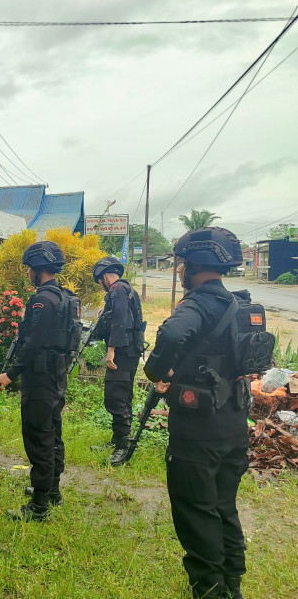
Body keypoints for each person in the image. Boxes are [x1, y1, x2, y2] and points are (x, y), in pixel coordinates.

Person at [143, 227, 249, 599]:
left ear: (191, 265)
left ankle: (210, 590)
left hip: (198, 430)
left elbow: (171, 338)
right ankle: (232, 584)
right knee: (223, 506)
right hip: (234, 424)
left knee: (196, 511)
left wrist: (156, 371)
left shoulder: (197, 304)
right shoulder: (238, 305)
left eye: (180, 264)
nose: (178, 271)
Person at [0, 241, 76, 522]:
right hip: (57, 375)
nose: (28, 273)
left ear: (39, 269)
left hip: (40, 378)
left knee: (39, 437)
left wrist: (11, 374)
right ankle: (52, 490)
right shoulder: (65, 296)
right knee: (53, 432)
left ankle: (39, 507)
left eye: (29, 268)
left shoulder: (42, 300)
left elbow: (32, 343)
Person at [90, 256, 145, 466]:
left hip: (122, 352)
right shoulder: (126, 289)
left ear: (104, 277)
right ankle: (118, 440)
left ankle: (122, 446)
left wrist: (110, 350)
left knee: (115, 397)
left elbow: (121, 320)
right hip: (130, 351)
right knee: (123, 396)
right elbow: (120, 316)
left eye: (99, 282)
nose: (101, 286)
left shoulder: (117, 290)